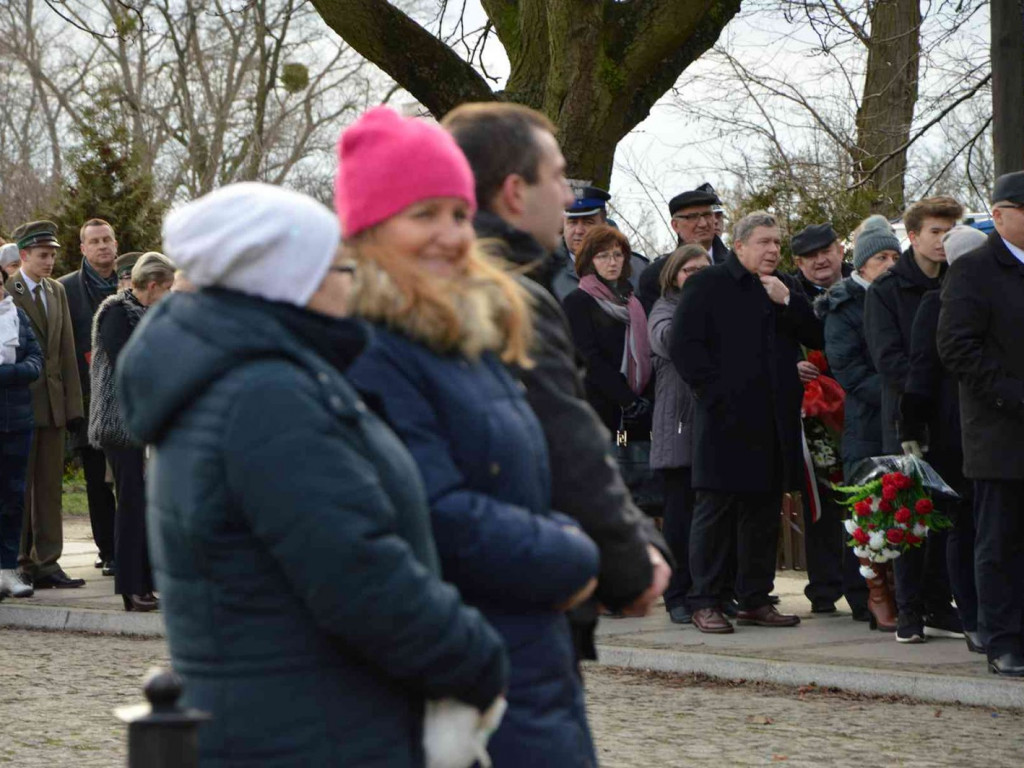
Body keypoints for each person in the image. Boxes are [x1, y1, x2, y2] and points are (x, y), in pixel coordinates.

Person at [116, 182, 509, 764]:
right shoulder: (266, 395)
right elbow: (358, 570)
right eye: (341, 269)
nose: (353, 283)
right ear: (291, 280)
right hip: (311, 732)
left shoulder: (259, 376)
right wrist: (477, 659)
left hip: (295, 719)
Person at [339, 107, 600, 767]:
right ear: (370, 228)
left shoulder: (470, 333)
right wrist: (570, 554)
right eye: (423, 214)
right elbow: (433, 513)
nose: (451, 235)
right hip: (466, 669)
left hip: (531, 656)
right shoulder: (371, 347)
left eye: (458, 214)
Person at [443, 102, 671, 659]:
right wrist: (631, 561)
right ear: (515, 191)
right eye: (557, 178)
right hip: (516, 599)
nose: (568, 198)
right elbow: (565, 442)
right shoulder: (513, 299)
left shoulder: (423, 284)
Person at [672, 211, 823, 634]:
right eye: (763, 242)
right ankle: (705, 600)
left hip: (773, 420)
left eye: (776, 242)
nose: (773, 249)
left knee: (763, 513)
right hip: (724, 420)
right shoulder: (708, 284)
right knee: (715, 511)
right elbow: (685, 347)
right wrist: (716, 396)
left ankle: (755, 598)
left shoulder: (784, 286)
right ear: (739, 246)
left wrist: (789, 302)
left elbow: (816, 336)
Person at [863, 196, 964, 643]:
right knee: (909, 513)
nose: (942, 241)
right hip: (908, 416)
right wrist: (924, 392)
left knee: (951, 513)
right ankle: (909, 610)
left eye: (949, 232)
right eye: (934, 232)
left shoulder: (959, 280)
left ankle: (940, 603)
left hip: (956, 415)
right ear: (913, 236)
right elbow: (888, 358)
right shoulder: (887, 290)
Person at [938, 170, 1024, 676]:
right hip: (1000, 432)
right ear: (999, 215)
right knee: (1001, 541)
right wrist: (1013, 394)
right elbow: (957, 347)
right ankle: (1004, 639)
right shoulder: (975, 270)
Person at [902, 225, 987, 653]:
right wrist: (911, 427)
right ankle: (972, 615)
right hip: (952, 428)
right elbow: (920, 369)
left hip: (993, 426)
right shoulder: (936, 303)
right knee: (962, 521)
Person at [816, 214, 901, 630]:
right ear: (862, 265)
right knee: (869, 510)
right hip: (869, 421)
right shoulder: (843, 306)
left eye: (895, 257)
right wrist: (899, 394)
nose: (890, 264)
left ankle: (911, 593)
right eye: (881, 258)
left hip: (907, 421)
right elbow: (848, 370)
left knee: (906, 508)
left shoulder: (904, 297)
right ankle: (876, 593)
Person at [90, 252, 176, 612]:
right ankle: (131, 586)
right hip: (119, 422)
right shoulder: (115, 312)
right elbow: (128, 363)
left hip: (142, 421)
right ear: (152, 286)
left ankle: (147, 581)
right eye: (167, 288)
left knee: (144, 501)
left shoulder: (146, 313)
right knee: (130, 501)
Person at [4, 221, 85, 589]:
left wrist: (73, 405)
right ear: (23, 255)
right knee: (18, 488)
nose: (50, 261)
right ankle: (18, 561)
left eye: (52, 255)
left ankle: (48, 562)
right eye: (42, 255)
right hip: (19, 404)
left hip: (52, 405)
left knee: (50, 489)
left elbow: (66, 350)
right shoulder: (9, 290)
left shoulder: (56, 291)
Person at [788, 221, 863, 617]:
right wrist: (792, 366)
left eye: (826, 251)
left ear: (840, 251)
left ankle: (866, 588)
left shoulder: (863, 284)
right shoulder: (788, 294)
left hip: (861, 405)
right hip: (814, 415)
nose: (820, 261)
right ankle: (823, 588)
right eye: (809, 256)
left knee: (863, 497)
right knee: (821, 503)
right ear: (798, 263)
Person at [649, 244, 711, 625]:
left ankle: (709, 590)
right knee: (679, 518)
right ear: (674, 276)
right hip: (677, 427)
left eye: (704, 269)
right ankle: (676, 594)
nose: (697, 277)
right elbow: (671, 341)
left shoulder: (717, 307)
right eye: (690, 271)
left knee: (710, 517)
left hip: (712, 425)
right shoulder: (664, 309)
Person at [58, 219, 121, 576]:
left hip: (131, 397)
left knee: (132, 480)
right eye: (94, 241)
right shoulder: (65, 289)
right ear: (82, 248)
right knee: (97, 481)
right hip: (88, 396)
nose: (102, 246)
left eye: (107, 239)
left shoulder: (133, 279)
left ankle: (132, 546)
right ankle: (108, 549)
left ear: (116, 243)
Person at [562, 225, 653, 439]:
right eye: (602, 256)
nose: (612, 262)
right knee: (615, 455)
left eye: (617, 255)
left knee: (637, 458)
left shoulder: (633, 303)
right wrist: (627, 399)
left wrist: (644, 400)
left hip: (640, 410)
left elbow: (648, 354)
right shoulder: (578, 302)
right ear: (589, 261)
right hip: (601, 409)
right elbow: (589, 358)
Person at [0, 276, 43, 599]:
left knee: (13, 498)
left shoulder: (17, 314)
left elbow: (35, 361)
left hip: (16, 422)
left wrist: (8, 373)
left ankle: (7, 569)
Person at [637, 184, 729, 312]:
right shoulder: (656, 275)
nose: (703, 224)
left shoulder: (737, 265)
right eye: (692, 217)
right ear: (675, 225)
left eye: (707, 215)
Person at [552, 185, 650, 301]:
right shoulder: (546, 268)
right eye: (572, 223)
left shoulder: (637, 268)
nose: (578, 231)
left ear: (604, 225)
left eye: (588, 222)